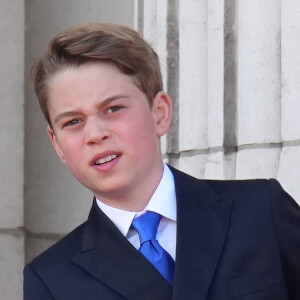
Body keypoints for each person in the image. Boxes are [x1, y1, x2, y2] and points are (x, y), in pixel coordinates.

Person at [23, 23, 300, 300]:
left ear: (160, 113)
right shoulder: (51, 280)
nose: (95, 134)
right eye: (73, 121)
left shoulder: (260, 212)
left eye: (113, 108)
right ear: (57, 144)